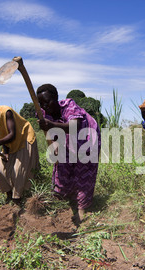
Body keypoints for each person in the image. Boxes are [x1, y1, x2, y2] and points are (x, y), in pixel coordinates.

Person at [36, 84, 101, 226]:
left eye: (47, 102)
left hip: (88, 138)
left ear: (56, 98)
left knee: (84, 173)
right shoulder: (42, 113)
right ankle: (62, 199)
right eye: (41, 103)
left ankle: (81, 209)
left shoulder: (69, 106)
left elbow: (74, 126)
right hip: (67, 139)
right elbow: (49, 132)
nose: (45, 106)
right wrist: (54, 145)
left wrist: (51, 124)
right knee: (62, 167)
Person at [0, 90, 39, 204]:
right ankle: (9, 194)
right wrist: (6, 152)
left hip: (24, 138)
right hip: (9, 142)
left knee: (18, 170)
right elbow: (2, 133)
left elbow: (12, 134)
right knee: (0, 167)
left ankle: (17, 198)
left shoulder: (6, 112)